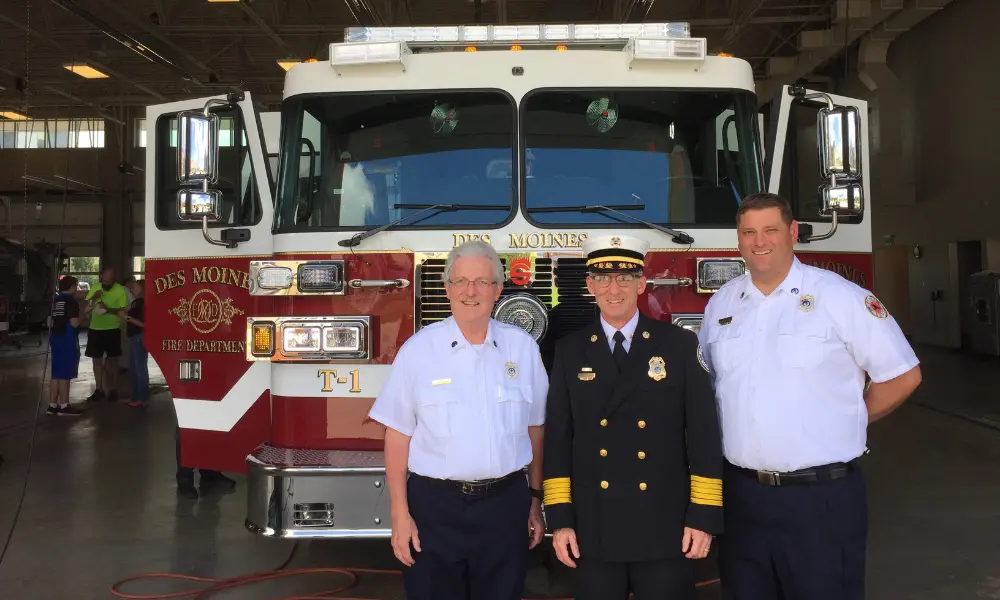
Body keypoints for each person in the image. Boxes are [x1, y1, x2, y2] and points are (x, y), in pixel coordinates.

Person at [698, 192, 922, 600]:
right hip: (742, 496)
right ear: (738, 239)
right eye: (748, 232)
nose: (759, 241)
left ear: (792, 233)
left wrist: (849, 418)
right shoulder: (721, 305)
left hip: (821, 499)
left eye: (770, 230)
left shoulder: (840, 298)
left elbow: (903, 374)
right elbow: (712, 387)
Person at [542, 234, 724, 600]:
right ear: (590, 285)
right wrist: (560, 520)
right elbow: (558, 442)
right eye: (603, 278)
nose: (614, 288)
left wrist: (702, 516)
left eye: (625, 278)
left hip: (665, 527)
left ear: (641, 284)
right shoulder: (569, 351)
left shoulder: (678, 345)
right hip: (594, 529)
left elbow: (704, 435)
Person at [367, 240, 548, 600]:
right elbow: (397, 436)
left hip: (504, 505)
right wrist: (400, 515)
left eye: (482, 282)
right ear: (447, 288)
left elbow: (536, 429)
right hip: (434, 509)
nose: (471, 291)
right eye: (461, 281)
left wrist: (535, 500)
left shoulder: (523, 348)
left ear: (497, 290)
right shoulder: (418, 350)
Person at [84, 266, 129, 403]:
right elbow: (87, 308)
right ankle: (99, 389)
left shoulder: (120, 289)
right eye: (106, 276)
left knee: (113, 361)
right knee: (97, 360)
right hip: (95, 329)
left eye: (111, 276)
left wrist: (109, 309)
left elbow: (124, 309)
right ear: (102, 276)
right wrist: (94, 298)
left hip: (112, 328)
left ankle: (113, 389)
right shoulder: (95, 287)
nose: (108, 280)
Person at [47, 275, 85, 416]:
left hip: (54, 336)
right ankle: (64, 405)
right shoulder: (70, 301)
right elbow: (74, 323)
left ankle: (52, 405)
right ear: (71, 287)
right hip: (66, 336)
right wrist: (85, 316)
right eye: (75, 286)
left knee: (56, 372)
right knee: (65, 373)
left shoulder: (55, 300)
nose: (76, 288)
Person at [120, 278, 148, 408]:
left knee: (139, 368)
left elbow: (144, 324)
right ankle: (134, 395)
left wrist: (128, 318)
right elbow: (127, 309)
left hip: (139, 336)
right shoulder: (137, 302)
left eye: (135, 287)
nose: (132, 289)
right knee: (134, 367)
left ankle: (141, 397)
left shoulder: (141, 303)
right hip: (135, 337)